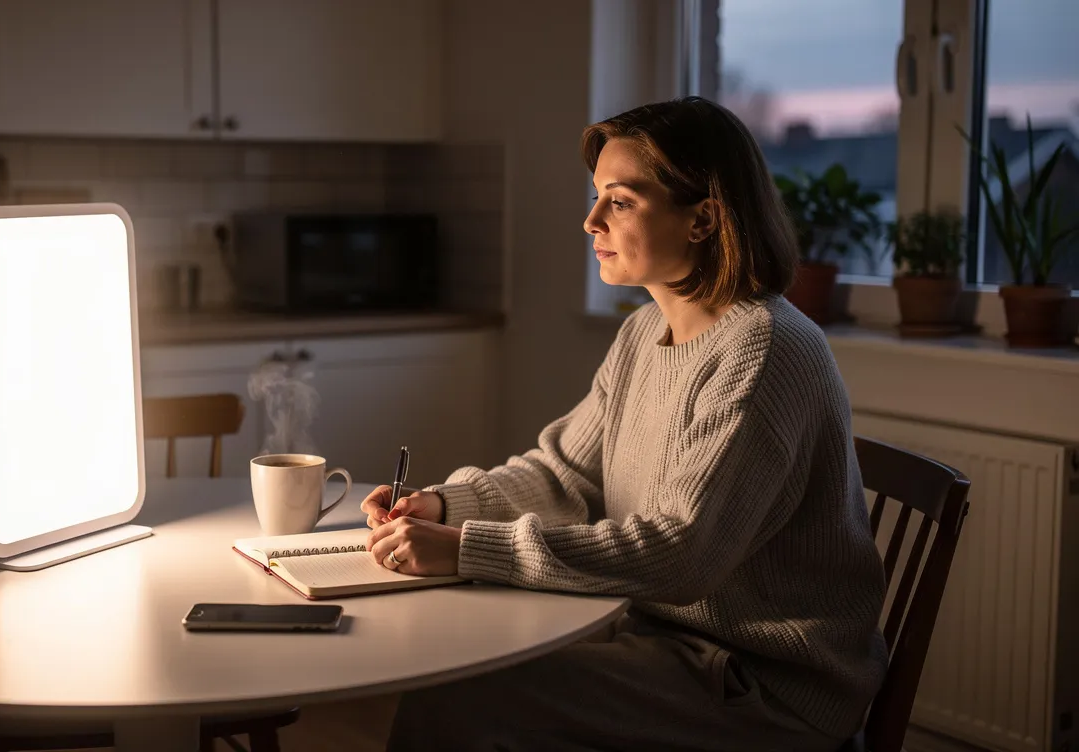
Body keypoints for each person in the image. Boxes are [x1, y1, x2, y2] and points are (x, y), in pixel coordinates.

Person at [359, 96, 888, 752]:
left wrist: (467, 546)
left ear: (703, 219)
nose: (590, 222)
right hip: (660, 641)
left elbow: (681, 554)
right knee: (454, 662)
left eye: (620, 200)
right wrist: (443, 505)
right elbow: (565, 475)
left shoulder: (765, 350)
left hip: (762, 685)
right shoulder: (646, 331)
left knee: (456, 697)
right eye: (596, 197)